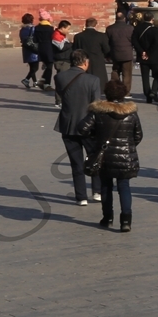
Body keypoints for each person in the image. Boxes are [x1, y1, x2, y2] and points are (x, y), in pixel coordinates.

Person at [87, 78, 142, 232]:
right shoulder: (131, 114)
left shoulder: (98, 112)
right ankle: (126, 221)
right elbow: (138, 135)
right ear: (123, 94)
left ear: (107, 93)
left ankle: (107, 217)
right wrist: (128, 146)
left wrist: (96, 141)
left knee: (106, 186)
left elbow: (82, 128)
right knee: (124, 186)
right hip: (126, 157)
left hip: (105, 157)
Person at [55, 51, 104, 204]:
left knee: (76, 162)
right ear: (84, 62)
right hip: (88, 125)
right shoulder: (93, 80)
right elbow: (96, 104)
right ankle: (97, 191)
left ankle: (81, 197)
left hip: (68, 125)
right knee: (95, 158)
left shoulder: (59, 77)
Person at [73, 15, 112, 86]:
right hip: (98, 60)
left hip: (82, 60)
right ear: (95, 24)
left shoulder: (78, 36)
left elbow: (75, 50)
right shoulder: (101, 36)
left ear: (86, 24)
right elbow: (107, 49)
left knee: (83, 79)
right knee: (99, 79)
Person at [106, 7, 137, 88]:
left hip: (115, 53)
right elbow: (133, 40)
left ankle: (115, 89)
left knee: (115, 71)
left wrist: (108, 54)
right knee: (127, 74)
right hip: (127, 54)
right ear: (124, 18)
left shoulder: (109, 28)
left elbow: (107, 42)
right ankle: (126, 91)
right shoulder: (130, 28)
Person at [131, 9, 155, 100]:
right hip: (152, 56)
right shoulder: (154, 29)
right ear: (152, 19)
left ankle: (147, 94)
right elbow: (155, 43)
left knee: (145, 77)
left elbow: (134, 41)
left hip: (141, 56)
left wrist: (142, 51)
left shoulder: (137, 28)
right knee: (156, 75)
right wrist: (148, 52)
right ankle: (154, 91)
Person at [33, 11, 57, 91]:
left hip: (41, 48)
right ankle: (46, 83)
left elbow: (35, 40)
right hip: (49, 48)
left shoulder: (36, 28)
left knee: (47, 65)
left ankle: (43, 81)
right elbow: (53, 39)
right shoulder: (50, 29)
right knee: (50, 66)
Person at [18, 12, 40, 89]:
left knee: (31, 67)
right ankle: (26, 79)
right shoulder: (33, 28)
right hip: (34, 49)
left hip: (26, 49)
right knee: (35, 68)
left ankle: (35, 82)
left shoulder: (22, 30)